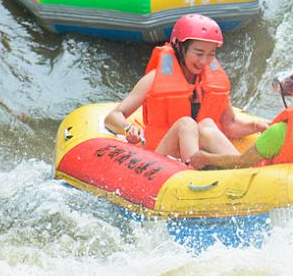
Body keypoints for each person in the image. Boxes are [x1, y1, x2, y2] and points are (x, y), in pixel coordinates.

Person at [103, 14, 269, 164]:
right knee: (187, 124)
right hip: (162, 156)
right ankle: (193, 171)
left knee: (207, 124)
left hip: (199, 153)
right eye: (198, 53)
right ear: (179, 47)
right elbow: (113, 117)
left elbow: (229, 124)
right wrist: (128, 128)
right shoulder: (153, 79)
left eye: (211, 54)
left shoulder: (212, 82)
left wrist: (256, 126)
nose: (204, 61)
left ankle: (242, 168)